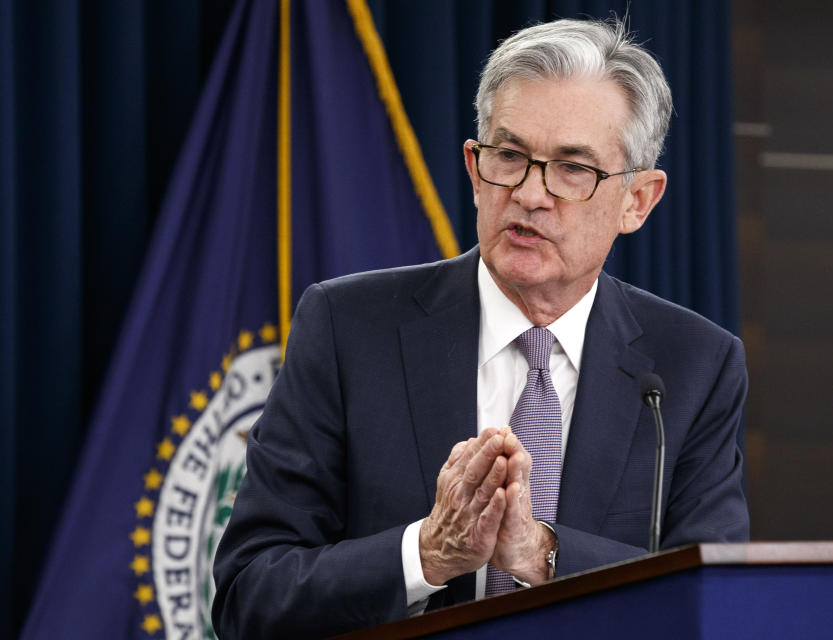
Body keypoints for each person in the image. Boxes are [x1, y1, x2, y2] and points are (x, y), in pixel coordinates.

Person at [212, 17, 748, 638]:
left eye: (572, 169)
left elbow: (717, 609)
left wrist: (542, 554)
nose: (529, 193)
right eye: (509, 155)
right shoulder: (348, 329)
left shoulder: (692, 366)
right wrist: (427, 554)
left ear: (638, 201)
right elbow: (249, 596)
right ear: (474, 167)